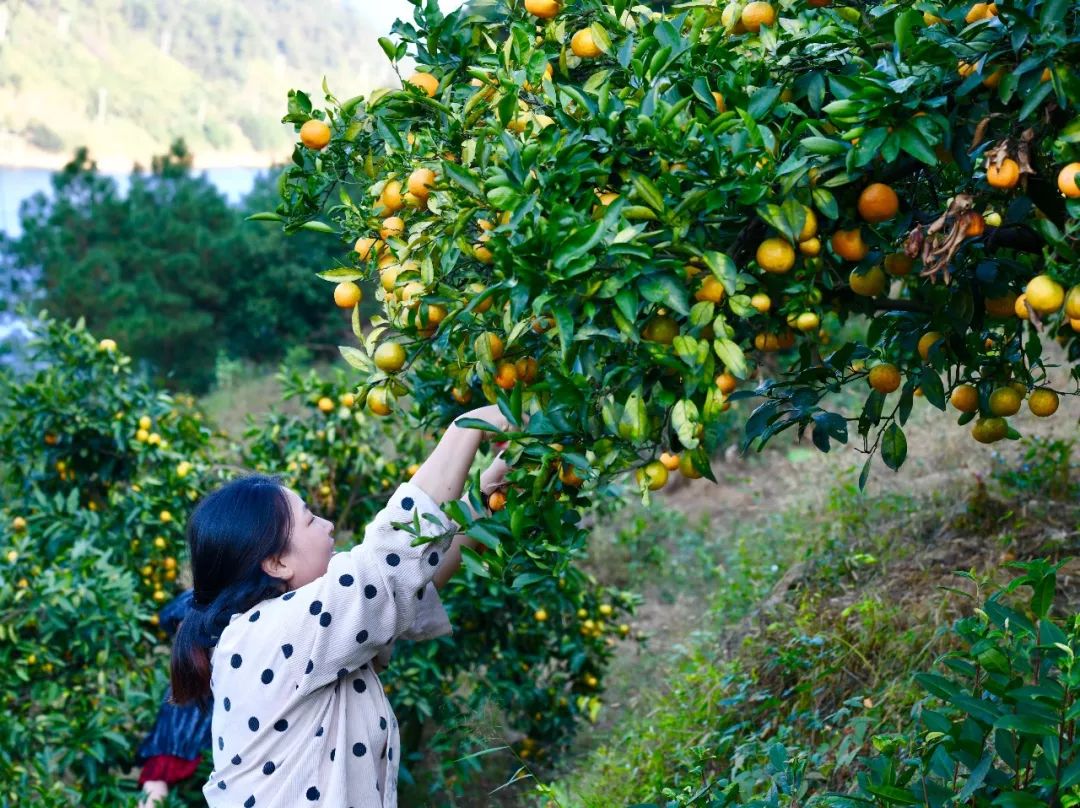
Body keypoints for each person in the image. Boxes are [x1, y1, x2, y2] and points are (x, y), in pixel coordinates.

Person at [170, 405, 512, 807]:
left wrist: (486, 495)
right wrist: (468, 427)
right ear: (277, 563)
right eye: (311, 519)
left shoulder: (298, 635)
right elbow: (388, 564)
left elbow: (412, 579)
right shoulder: (271, 633)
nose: (328, 525)